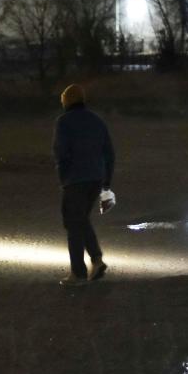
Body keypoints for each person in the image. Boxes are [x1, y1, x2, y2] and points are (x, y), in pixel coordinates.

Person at [52, 83, 115, 286]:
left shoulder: (64, 122)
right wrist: (106, 181)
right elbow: (109, 152)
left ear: (66, 101)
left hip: (75, 179)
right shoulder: (97, 120)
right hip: (96, 178)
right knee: (81, 220)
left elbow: (61, 152)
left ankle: (78, 273)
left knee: (73, 224)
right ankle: (96, 260)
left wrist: (63, 177)